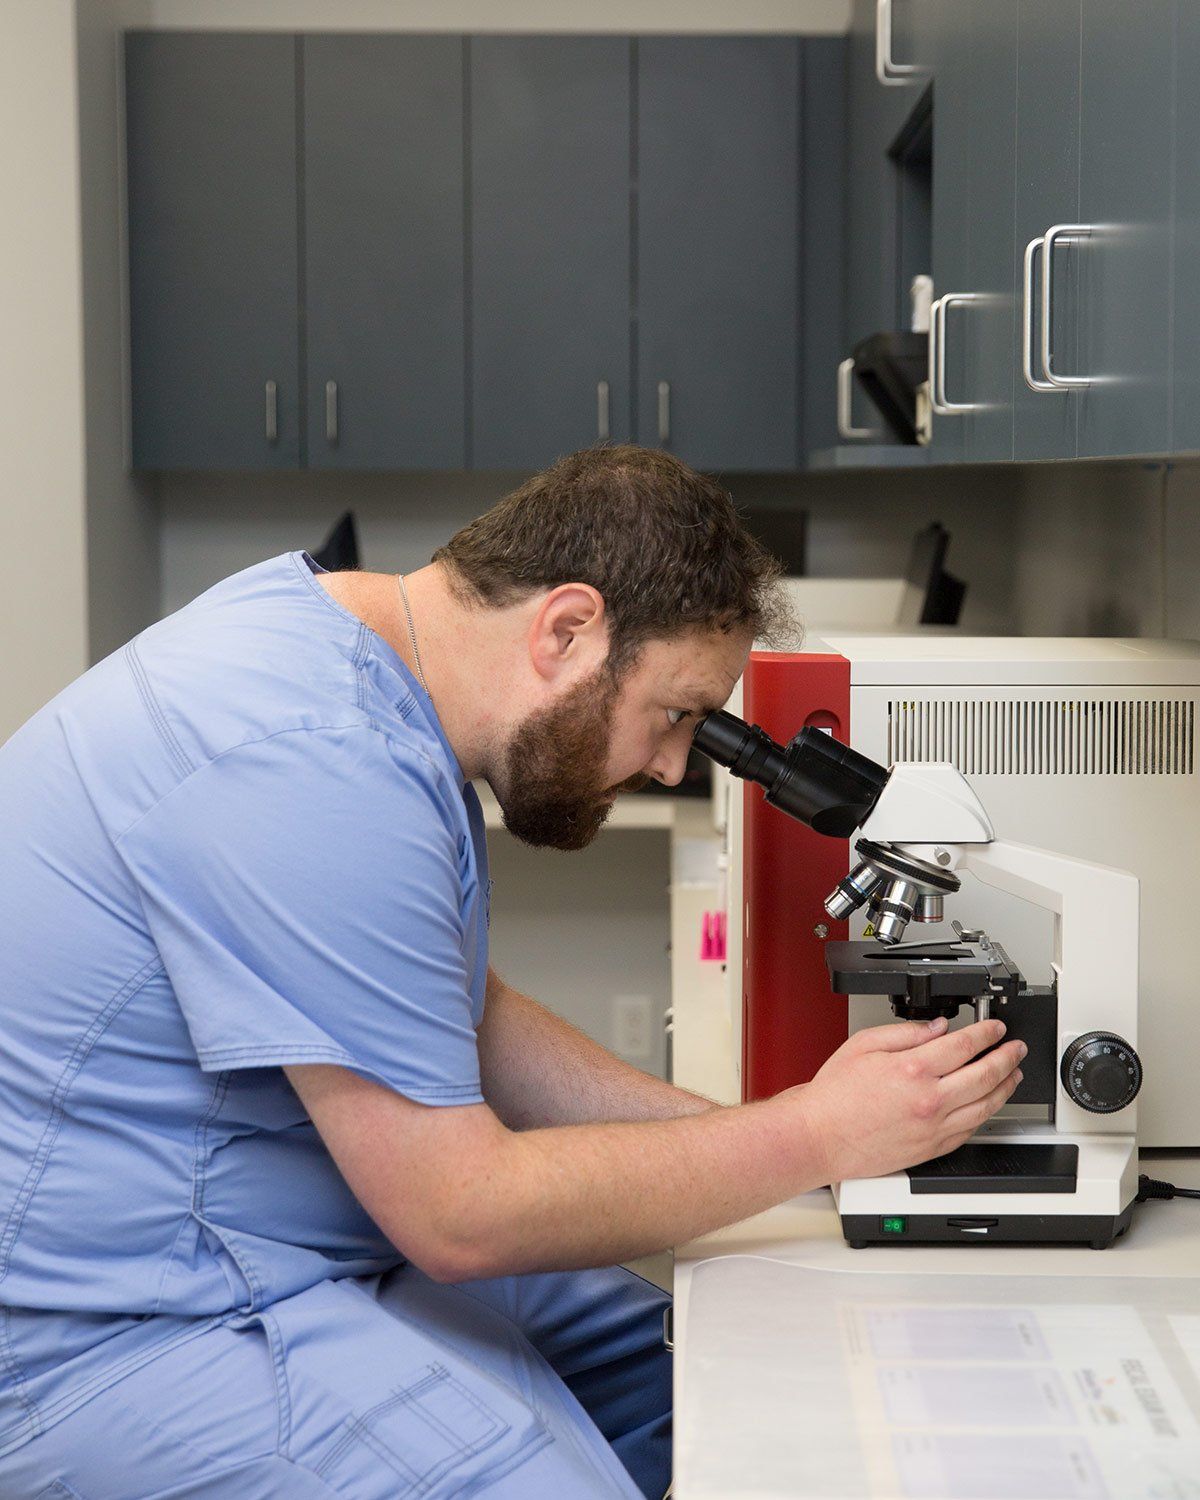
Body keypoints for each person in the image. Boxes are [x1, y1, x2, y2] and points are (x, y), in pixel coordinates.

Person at [0, 446, 1024, 1498]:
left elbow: (463, 1022)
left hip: (298, 1239)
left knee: (710, 1369)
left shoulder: (349, 663)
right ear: (567, 628)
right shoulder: (307, 756)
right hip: (125, 1331)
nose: (675, 765)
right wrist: (810, 1131)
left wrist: (785, 1150)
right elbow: (463, 1213)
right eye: (676, 713)